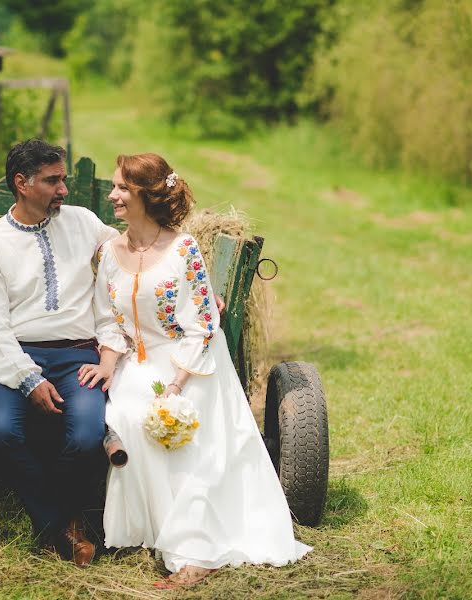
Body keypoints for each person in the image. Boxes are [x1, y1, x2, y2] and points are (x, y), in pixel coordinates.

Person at [78, 153, 312, 587]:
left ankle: (194, 551)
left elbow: (204, 325)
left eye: (122, 189)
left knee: (167, 423)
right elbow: (107, 319)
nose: (112, 196)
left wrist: (175, 383)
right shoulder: (109, 253)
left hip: (190, 359)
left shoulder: (182, 249)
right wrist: (109, 362)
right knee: (126, 413)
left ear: (147, 197)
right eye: (113, 187)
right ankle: (150, 529)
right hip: (136, 360)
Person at [0, 139, 119, 567]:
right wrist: (29, 379)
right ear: (22, 183)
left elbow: (129, 254)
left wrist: (188, 278)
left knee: (88, 435)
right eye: (53, 181)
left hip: (79, 356)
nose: (63, 190)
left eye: (64, 179)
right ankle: (61, 524)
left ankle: (59, 519)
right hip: (16, 357)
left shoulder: (84, 222)